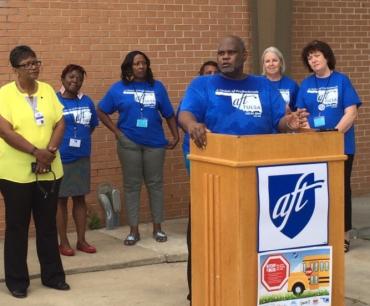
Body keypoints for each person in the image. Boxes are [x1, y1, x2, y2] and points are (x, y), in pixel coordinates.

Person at [178, 35, 308, 305]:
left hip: (258, 179)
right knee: (206, 242)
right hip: (212, 180)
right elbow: (185, 114)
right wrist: (192, 126)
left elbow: (279, 120)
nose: (225, 57)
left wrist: (291, 121)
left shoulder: (262, 85)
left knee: (250, 242)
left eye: (231, 52)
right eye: (221, 52)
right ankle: (200, 295)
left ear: (244, 55)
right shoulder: (203, 84)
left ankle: (246, 292)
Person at [0, 45, 70, 298]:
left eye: (36, 62)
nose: (34, 67)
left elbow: (60, 121)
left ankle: (53, 276)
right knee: (18, 227)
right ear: (15, 69)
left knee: (47, 224)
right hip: (15, 174)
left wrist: (49, 151)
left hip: (49, 169)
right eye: (28, 64)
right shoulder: (4, 94)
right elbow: (5, 131)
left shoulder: (48, 90)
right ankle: (17, 281)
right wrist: (35, 152)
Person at [97, 50, 179, 246]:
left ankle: (158, 228)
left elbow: (168, 113)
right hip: (129, 144)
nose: (141, 67)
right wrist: (117, 133)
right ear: (129, 67)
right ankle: (133, 230)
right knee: (132, 186)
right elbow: (101, 110)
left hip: (155, 144)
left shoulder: (157, 87)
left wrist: (175, 135)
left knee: (156, 185)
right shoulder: (118, 89)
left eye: (143, 63)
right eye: (136, 64)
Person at [295, 40, 361, 253]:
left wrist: (334, 135)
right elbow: (301, 116)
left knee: (341, 191)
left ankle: (343, 235)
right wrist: (312, 133)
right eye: (309, 57)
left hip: (341, 146)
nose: (313, 60)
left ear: (327, 57)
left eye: (316, 55)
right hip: (313, 147)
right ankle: (319, 233)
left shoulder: (341, 81)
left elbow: (351, 112)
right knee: (317, 192)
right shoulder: (306, 84)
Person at [56, 64, 99, 256]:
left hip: (81, 157)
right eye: (71, 77)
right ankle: (64, 242)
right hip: (60, 157)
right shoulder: (54, 101)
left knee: (80, 198)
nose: (75, 81)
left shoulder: (87, 101)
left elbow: (91, 125)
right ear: (63, 78)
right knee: (61, 200)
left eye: (79, 78)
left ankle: (82, 240)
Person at [261, 46, 299, 112]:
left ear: (281, 62)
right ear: (263, 65)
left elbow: (297, 110)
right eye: (267, 61)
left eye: (274, 60)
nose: (271, 64)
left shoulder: (291, 85)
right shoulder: (258, 84)